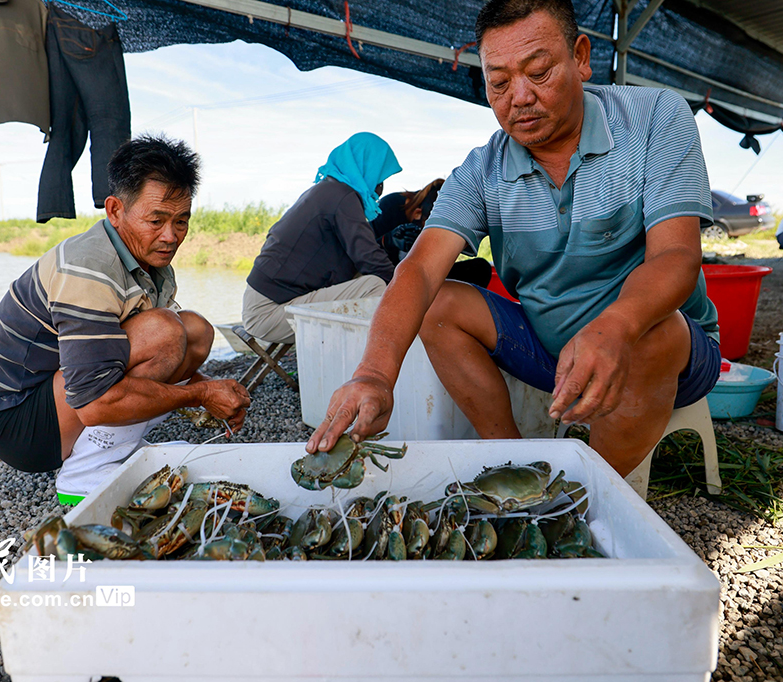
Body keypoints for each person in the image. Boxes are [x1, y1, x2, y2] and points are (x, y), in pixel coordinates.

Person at [307, 0, 722, 480]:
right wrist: (374, 375)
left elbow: (676, 256)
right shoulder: (481, 171)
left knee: (654, 333)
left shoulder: (655, 117)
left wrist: (615, 327)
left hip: (664, 350)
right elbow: (418, 270)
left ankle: (588, 493)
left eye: (539, 73)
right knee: (438, 303)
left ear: (581, 57)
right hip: (550, 351)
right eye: (499, 82)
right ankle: (513, 466)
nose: (519, 97)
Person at [0, 134, 251, 503]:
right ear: (115, 210)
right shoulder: (88, 266)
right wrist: (199, 395)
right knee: (165, 331)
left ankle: (116, 448)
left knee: (196, 331)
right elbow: (93, 403)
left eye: (181, 221)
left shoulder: (148, 260)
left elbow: (156, 359)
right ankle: (84, 474)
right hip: (16, 422)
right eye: (156, 220)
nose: (170, 236)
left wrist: (214, 390)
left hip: (63, 395)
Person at [241, 132, 400, 345]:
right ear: (367, 170)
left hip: (266, 303)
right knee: (375, 287)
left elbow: (361, 252)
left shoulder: (329, 190)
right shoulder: (343, 197)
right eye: (380, 177)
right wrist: (411, 292)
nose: (381, 187)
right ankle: (364, 361)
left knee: (366, 280)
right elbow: (370, 259)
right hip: (268, 313)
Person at [372, 179, 494, 287]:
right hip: (390, 279)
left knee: (480, 268)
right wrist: (387, 241)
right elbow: (365, 254)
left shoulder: (446, 228)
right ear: (417, 214)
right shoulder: (389, 207)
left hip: (425, 279)